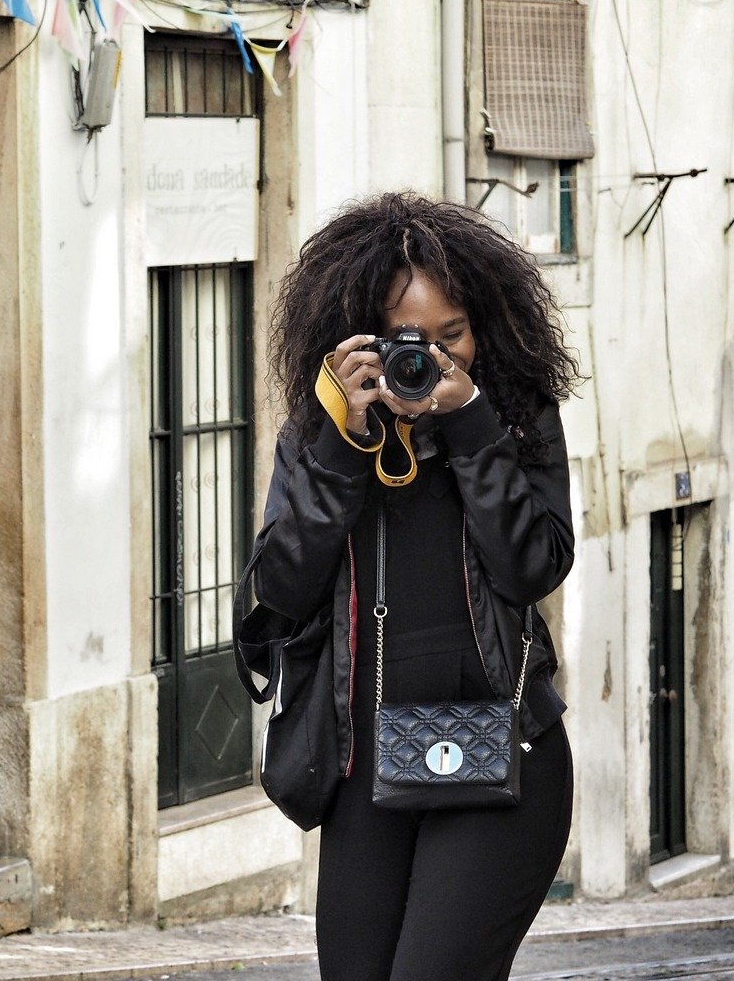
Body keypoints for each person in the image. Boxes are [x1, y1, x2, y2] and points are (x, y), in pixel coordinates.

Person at [250, 191, 583, 981]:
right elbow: (281, 591)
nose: (432, 358)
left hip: (502, 756)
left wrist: (471, 425)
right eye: (409, 340)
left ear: (483, 329)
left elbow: (533, 565)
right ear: (360, 338)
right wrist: (341, 447)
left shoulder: (514, 416)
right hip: (368, 766)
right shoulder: (320, 430)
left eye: (452, 335)